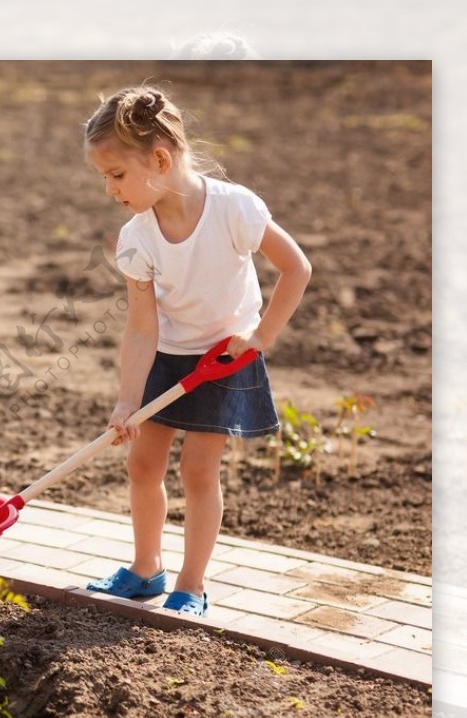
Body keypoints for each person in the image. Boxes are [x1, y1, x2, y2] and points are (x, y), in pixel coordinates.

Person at [82, 85, 312, 616]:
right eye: (104, 179)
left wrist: (260, 338)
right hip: (167, 357)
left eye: (116, 175)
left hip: (222, 360)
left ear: (160, 160)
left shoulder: (234, 209)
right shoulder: (136, 238)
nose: (110, 189)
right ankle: (146, 570)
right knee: (143, 465)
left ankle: (192, 582)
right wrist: (126, 400)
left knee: (199, 473)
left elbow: (296, 268)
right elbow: (142, 328)